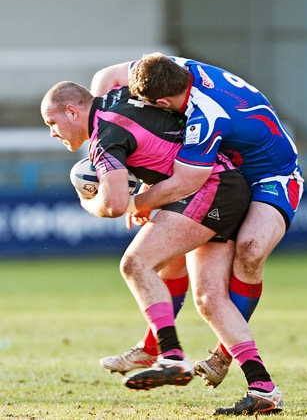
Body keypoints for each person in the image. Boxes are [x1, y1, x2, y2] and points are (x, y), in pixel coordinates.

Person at [41, 82, 285, 416]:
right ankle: (264, 389)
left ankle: (170, 356)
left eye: (52, 123)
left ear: (72, 111)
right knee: (210, 299)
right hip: (226, 184)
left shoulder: (103, 137)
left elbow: (113, 205)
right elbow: (157, 140)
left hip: (209, 189)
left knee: (135, 263)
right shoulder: (121, 97)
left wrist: (89, 203)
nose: (53, 133)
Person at [90, 53, 302, 414]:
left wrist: (137, 201)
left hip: (271, 174)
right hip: (226, 171)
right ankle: (160, 348)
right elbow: (106, 77)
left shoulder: (207, 116)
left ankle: (219, 354)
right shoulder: (170, 68)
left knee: (249, 253)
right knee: (188, 279)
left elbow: (188, 179)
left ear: (161, 102)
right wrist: (107, 123)